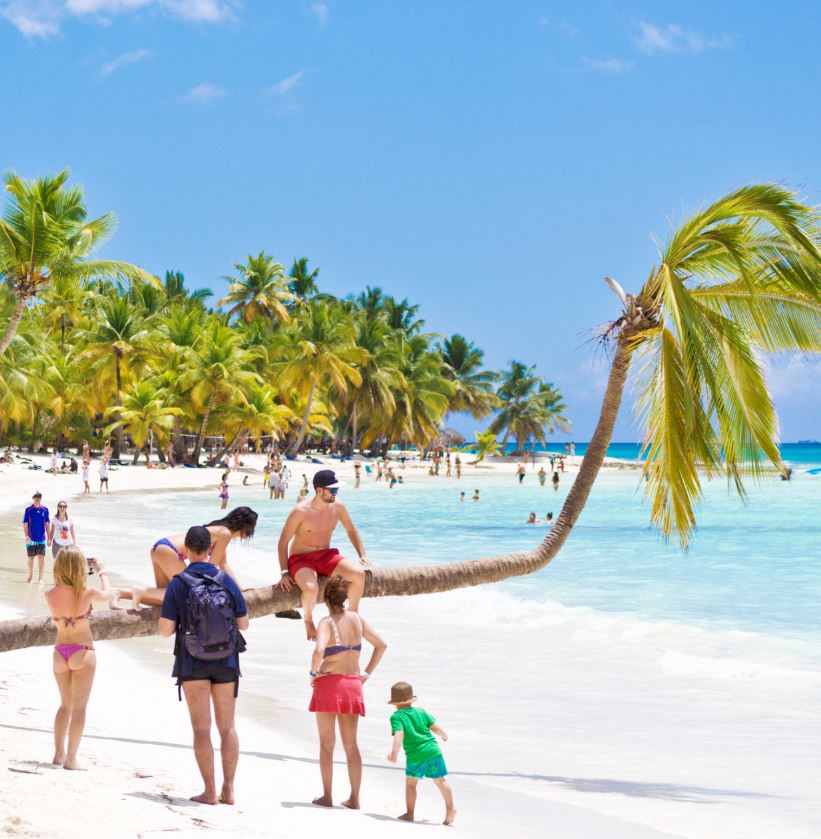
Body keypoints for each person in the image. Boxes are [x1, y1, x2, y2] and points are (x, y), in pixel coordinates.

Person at [158, 526, 249, 805]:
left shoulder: (177, 583)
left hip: (192, 662)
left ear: (185, 550)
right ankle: (229, 790)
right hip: (227, 660)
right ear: (210, 548)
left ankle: (209, 791)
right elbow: (243, 623)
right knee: (228, 727)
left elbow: (165, 630)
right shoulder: (226, 580)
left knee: (201, 729)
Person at [308, 576, 387, 809]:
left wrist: (313, 675)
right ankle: (354, 797)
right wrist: (366, 674)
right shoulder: (357, 620)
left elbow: (318, 650)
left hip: (329, 684)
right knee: (351, 745)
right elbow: (381, 645)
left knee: (326, 744)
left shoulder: (326, 622)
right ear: (344, 598)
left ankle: (327, 795)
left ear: (326, 598)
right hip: (353, 684)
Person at [277, 470, 372, 640]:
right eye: (332, 490)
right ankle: (308, 620)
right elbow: (283, 542)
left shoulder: (339, 507)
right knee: (311, 588)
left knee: (358, 574)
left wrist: (362, 554)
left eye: (337, 490)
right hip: (302, 559)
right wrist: (284, 572)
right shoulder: (301, 511)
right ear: (319, 490)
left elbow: (351, 530)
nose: (336, 494)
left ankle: (352, 615)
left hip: (326, 556)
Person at [45, 547, 112, 770]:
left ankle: (58, 754)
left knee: (65, 705)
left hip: (60, 652)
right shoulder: (87, 592)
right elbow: (108, 594)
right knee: (80, 708)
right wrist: (102, 571)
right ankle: (71, 759)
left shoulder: (50, 594)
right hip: (82, 651)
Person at [117, 507, 258, 608]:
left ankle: (121, 593)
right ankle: (139, 591)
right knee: (188, 593)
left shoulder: (220, 529)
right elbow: (210, 567)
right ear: (246, 525)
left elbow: (223, 564)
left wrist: (239, 588)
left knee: (167, 600)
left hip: (162, 547)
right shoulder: (225, 533)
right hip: (170, 551)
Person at [387, 681, 456, 825]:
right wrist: (444, 735)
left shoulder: (397, 716)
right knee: (440, 780)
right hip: (433, 750)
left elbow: (399, 734)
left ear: (394, 702)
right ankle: (451, 808)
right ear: (411, 698)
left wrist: (394, 754)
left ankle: (410, 813)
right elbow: (435, 728)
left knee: (411, 784)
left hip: (415, 755)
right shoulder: (421, 711)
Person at [23, 491, 50, 583]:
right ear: (33, 498)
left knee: (41, 557)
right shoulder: (28, 510)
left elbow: (47, 524)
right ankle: (30, 575)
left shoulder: (45, 510)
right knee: (31, 557)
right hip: (31, 538)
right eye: (36, 497)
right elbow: (25, 524)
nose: (37, 498)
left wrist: (49, 538)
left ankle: (40, 578)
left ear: (41, 498)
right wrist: (26, 536)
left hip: (41, 538)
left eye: (39, 497)